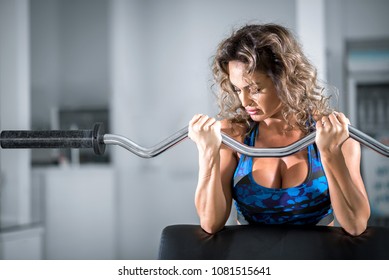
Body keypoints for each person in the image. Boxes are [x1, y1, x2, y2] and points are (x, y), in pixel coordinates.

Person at [188, 23, 370, 236]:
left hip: (313, 261)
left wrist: (330, 154)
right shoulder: (235, 136)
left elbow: (356, 224)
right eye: (238, 89)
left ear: (284, 79)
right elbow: (210, 223)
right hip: (256, 265)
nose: (245, 100)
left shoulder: (331, 135)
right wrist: (207, 153)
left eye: (255, 89)